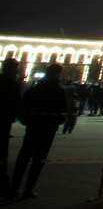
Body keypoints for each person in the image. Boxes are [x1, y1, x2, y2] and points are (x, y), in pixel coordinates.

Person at [8, 63, 68, 200]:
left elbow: (23, 106)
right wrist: (57, 121)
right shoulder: (58, 91)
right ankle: (28, 189)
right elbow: (62, 111)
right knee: (39, 160)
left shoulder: (35, 89)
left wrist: (27, 121)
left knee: (23, 158)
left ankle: (14, 188)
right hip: (48, 129)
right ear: (58, 74)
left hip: (33, 128)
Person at [1, 58, 21, 196]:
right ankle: (3, 185)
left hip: (5, 121)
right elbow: (17, 103)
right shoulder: (12, 84)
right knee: (2, 154)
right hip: (3, 122)